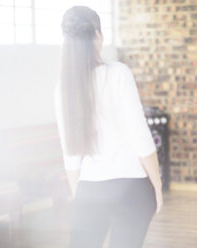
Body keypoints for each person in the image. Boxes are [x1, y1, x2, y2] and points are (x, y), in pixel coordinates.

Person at [54, 6, 163, 248]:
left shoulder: (63, 88)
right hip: (132, 189)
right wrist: (157, 186)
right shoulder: (118, 73)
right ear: (98, 35)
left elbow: (70, 155)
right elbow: (140, 137)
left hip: (88, 191)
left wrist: (78, 194)